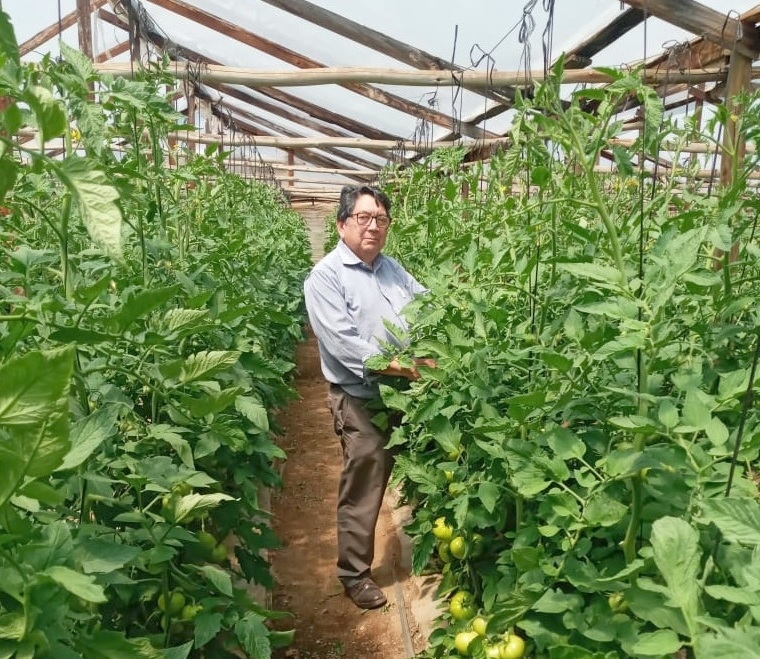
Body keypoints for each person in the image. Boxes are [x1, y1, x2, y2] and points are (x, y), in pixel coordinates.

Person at [303, 184, 435, 610]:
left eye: (381, 219)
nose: (373, 226)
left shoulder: (392, 269)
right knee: (364, 480)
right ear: (342, 224)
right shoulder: (325, 277)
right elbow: (343, 345)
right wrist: (405, 365)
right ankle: (354, 573)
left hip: (406, 395)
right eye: (363, 218)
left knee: (417, 466)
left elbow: (428, 305)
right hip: (359, 398)